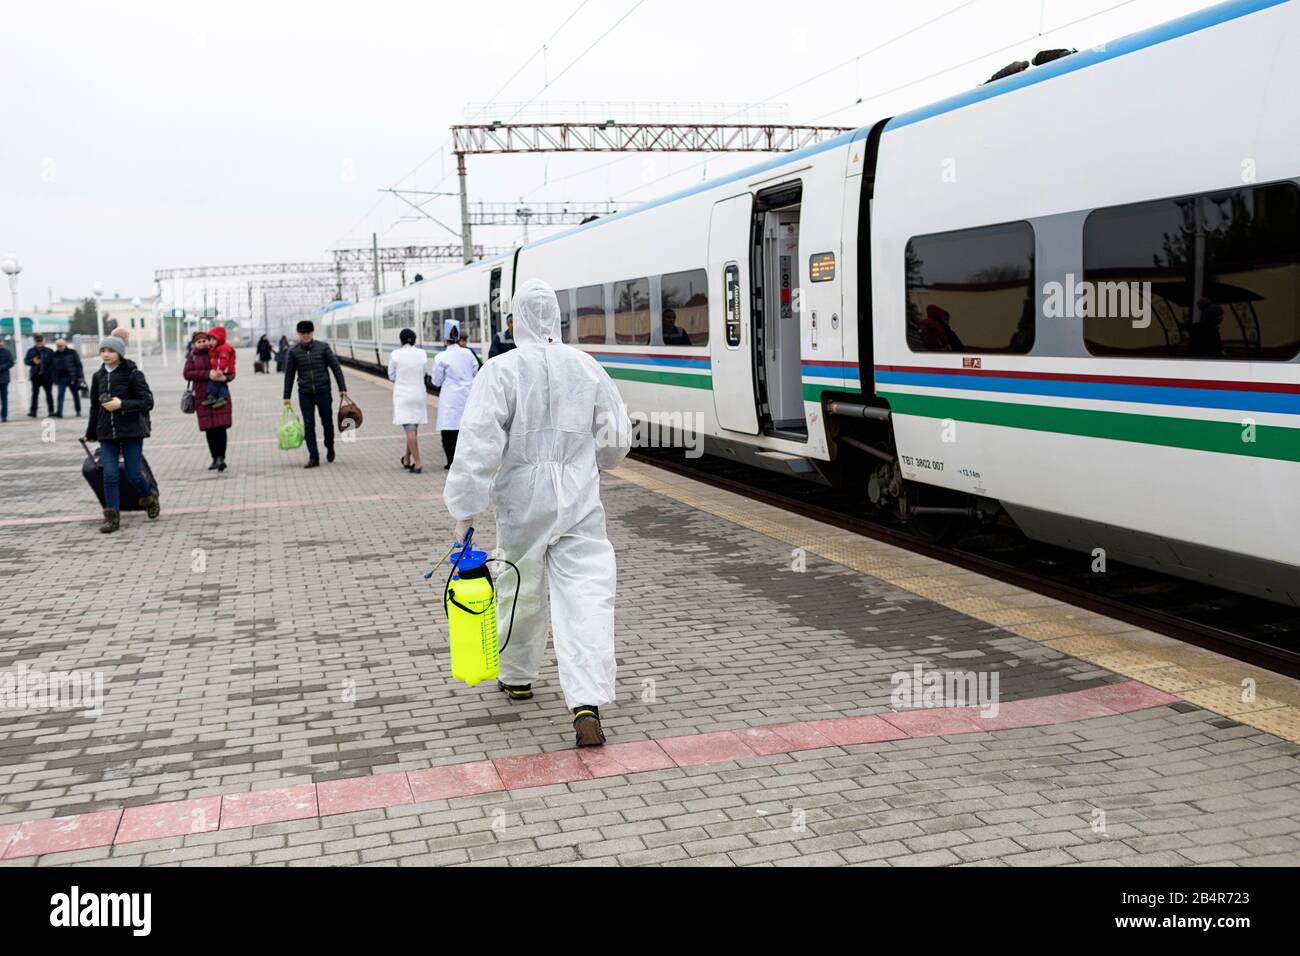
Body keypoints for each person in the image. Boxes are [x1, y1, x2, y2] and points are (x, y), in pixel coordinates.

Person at [445, 279, 630, 748]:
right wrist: (593, 465)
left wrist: (465, 514)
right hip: (579, 498)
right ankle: (586, 701)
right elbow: (617, 436)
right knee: (587, 595)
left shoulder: (500, 370)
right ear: (557, 319)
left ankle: (518, 675)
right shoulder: (586, 367)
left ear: (515, 321)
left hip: (522, 498)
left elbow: (477, 446)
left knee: (520, 584)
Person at [85, 336, 159, 533]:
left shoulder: (133, 374)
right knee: (109, 475)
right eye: (103, 350)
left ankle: (149, 497)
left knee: (133, 474)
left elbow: (147, 402)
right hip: (106, 434)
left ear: (120, 353)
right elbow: (94, 406)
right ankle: (112, 518)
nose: (106, 354)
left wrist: (122, 404)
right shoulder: (97, 376)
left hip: (131, 432)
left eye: (110, 350)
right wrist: (91, 432)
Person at [282, 320, 350, 468]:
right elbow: (289, 375)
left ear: (312, 333)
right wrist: (286, 396)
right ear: (298, 334)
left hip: (323, 391)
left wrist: (342, 388)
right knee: (308, 425)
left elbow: (335, 368)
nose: (306, 335)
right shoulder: (293, 352)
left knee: (327, 422)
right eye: (303, 333)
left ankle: (329, 445)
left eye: (308, 332)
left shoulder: (323, 348)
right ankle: (314, 456)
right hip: (305, 393)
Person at [182, 331, 235, 472]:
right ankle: (214, 458)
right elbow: (187, 374)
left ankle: (221, 458)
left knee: (220, 427)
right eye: (198, 342)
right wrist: (207, 374)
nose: (202, 343)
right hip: (202, 397)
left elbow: (231, 371)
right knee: (209, 429)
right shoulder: (192, 356)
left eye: (204, 340)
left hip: (220, 395)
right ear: (194, 344)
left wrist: (224, 377)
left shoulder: (219, 351)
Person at [428, 324, 478, 469]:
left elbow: (436, 381)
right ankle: (466, 460)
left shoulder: (441, 357)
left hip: (450, 397)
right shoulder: (468, 353)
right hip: (467, 394)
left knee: (449, 430)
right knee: (466, 428)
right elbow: (476, 370)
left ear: (445, 339)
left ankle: (451, 462)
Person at [388, 328, 429, 474]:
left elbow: (391, 375)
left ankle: (417, 463)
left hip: (403, 396)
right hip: (419, 394)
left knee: (410, 430)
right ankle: (406, 459)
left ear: (401, 340)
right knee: (413, 429)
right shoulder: (422, 354)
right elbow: (424, 372)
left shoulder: (395, 354)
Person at [202, 326, 236, 408]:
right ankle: (221, 397)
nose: (211, 342)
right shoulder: (215, 347)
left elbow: (223, 360)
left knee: (215, 381)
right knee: (219, 382)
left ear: (219, 338)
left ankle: (213, 396)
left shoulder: (223, 348)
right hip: (220, 369)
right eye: (210, 340)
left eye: (214, 339)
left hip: (225, 370)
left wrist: (220, 370)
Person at [52, 339, 84, 418]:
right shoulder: (55, 355)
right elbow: (53, 368)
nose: (60, 348)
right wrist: (54, 380)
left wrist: (80, 377)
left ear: (65, 345)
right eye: (58, 346)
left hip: (72, 378)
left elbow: (78, 365)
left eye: (61, 346)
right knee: (60, 396)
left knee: (75, 395)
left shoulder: (72, 352)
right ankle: (59, 412)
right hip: (61, 379)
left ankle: (78, 411)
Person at [25, 334, 55, 418]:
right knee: (34, 395)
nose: (39, 343)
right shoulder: (31, 351)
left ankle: (51, 411)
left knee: (49, 394)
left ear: (43, 341)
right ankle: (33, 411)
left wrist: (53, 376)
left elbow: (54, 363)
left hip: (47, 376)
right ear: (35, 342)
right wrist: (32, 361)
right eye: (37, 342)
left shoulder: (49, 351)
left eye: (40, 341)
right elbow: (26, 361)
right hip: (35, 376)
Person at [0, 338, 13, 423]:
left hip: (4, 379)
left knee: (4, 398)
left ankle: (4, 415)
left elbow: (11, 362)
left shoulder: (7, 352)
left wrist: (2, 367)